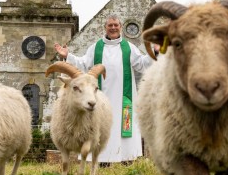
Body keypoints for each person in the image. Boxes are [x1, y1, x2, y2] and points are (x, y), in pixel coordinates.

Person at [54, 15, 156, 164]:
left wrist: (155, 52)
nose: (113, 28)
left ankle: (126, 159)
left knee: (124, 127)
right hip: (101, 99)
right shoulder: (96, 47)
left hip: (124, 99)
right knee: (101, 126)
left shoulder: (129, 48)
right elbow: (82, 64)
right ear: (105, 28)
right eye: (110, 25)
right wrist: (67, 55)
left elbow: (141, 64)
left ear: (120, 27)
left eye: (116, 25)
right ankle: (102, 161)